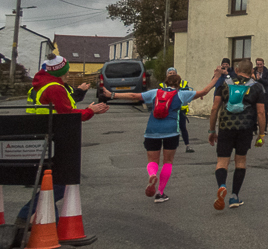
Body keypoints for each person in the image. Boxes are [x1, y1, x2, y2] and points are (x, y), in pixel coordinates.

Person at [17, 54, 109, 221]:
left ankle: (52, 226)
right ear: (60, 72)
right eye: (66, 72)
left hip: (42, 135)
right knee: (59, 184)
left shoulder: (40, 85)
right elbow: (66, 114)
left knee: (52, 182)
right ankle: (25, 215)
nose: (68, 75)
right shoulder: (54, 88)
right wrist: (90, 111)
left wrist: (83, 102)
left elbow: (62, 105)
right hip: (55, 137)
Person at [107, 69, 222, 202]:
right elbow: (204, 91)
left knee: (152, 161)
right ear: (179, 83)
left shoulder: (155, 92)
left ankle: (152, 174)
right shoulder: (182, 94)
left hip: (152, 130)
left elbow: (134, 96)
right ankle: (160, 193)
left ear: (165, 82)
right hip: (171, 131)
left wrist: (113, 94)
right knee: (168, 161)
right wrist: (216, 77)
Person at [206, 58, 267, 210]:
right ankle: (234, 197)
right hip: (245, 128)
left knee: (222, 161)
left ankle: (221, 185)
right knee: (240, 161)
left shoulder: (225, 84)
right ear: (252, 72)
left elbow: (214, 108)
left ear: (237, 70)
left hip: (226, 127)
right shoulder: (257, 87)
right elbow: (261, 112)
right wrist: (261, 134)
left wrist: (212, 130)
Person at [161, 67, 196, 153]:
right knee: (169, 128)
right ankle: (168, 147)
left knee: (182, 127)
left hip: (181, 109)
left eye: (174, 73)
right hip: (168, 110)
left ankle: (187, 146)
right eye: (170, 73)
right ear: (167, 75)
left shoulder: (183, 83)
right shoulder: (163, 85)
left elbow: (188, 94)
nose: (172, 74)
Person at [252, 57, 268, 131]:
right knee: (254, 112)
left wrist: (259, 79)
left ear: (263, 64)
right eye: (258, 64)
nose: (259, 66)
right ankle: (254, 128)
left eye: (260, 64)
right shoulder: (252, 72)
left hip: (265, 94)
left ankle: (264, 128)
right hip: (254, 94)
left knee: (264, 112)